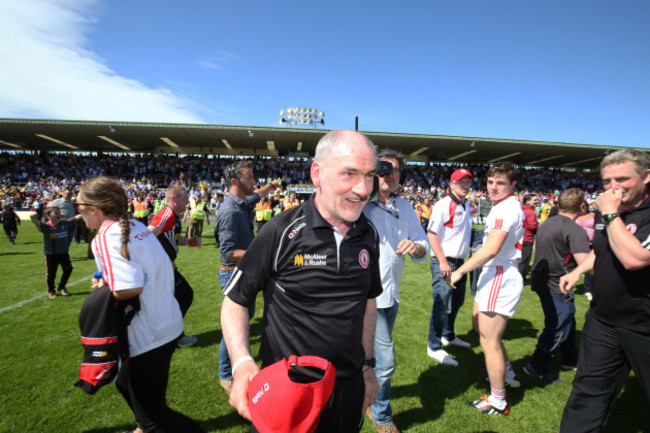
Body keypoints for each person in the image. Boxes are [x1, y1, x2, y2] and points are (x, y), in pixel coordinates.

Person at [220, 129, 381, 432]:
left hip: (348, 392)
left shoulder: (368, 234)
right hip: (288, 394)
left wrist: (367, 366)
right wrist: (241, 363)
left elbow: (368, 301)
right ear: (317, 174)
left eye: (370, 175)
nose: (363, 189)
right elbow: (235, 300)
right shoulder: (281, 231)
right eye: (349, 174)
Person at [76, 177, 204, 433]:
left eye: (78, 206)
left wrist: (103, 290)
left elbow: (128, 287)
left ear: (95, 209)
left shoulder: (106, 236)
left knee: (154, 416)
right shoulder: (134, 225)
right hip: (166, 324)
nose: (77, 213)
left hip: (147, 333)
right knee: (125, 383)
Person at [559, 149, 650, 432]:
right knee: (586, 395)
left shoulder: (615, 213)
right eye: (607, 181)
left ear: (647, 177)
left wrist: (611, 215)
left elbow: (634, 258)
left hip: (643, 323)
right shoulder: (612, 213)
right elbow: (605, 251)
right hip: (604, 320)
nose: (613, 188)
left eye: (622, 179)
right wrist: (577, 271)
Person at [447, 162, 524, 415]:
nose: (493, 187)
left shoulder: (506, 209)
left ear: (513, 185)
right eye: (491, 182)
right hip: (494, 273)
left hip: (499, 274)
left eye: (500, 183)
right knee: (481, 329)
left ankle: (497, 400)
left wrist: (460, 270)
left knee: (489, 341)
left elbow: (491, 249)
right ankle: (508, 372)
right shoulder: (502, 206)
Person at [363, 149, 429, 433]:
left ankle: (365, 398)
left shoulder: (406, 207)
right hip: (366, 299)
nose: (388, 175)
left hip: (392, 297)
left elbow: (423, 244)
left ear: (401, 175)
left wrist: (416, 247)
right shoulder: (360, 204)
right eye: (382, 169)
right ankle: (381, 414)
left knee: (372, 357)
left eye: (394, 170)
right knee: (386, 361)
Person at [215, 161, 280, 394]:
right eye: (250, 177)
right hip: (233, 274)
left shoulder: (241, 202)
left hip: (243, 272)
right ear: (235, 181)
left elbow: (256, 196)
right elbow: (229, 253)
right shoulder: (230, 212)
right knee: (235, 326)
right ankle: (225, 374)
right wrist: (263, 253)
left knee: (247, 316)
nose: (255, 182)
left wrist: (270, 186)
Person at [523, 188, 590, 382]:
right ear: (582, 206)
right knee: (559, 324)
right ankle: (536, 364)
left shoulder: (546, 224)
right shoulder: (575, 229)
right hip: (557, 282)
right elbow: (585, 261)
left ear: (558, 204)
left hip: (541, 278)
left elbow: (537, 247)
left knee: (566, 319)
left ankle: (570, 359)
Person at [426, 168, 474, 367]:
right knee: (441, 303)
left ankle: (448, 335)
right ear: (451, 185)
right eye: (460, 182)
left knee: (456, 303)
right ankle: (434, 346)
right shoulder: (444, 204)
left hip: (460, 263)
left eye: (467, 182)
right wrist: (443, 261)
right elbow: (431, 233)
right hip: (445, 262)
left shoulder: (467, 204)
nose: (465, 186)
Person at [148, 185, 200, 348]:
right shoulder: (166, 214)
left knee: (175, 299)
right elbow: (146, 237)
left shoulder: (174, 216)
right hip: (162, 268)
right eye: (185, 198)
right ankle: (173, 337)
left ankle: (165, 336)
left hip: (166, 267)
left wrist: (188, 242)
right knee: (184, 295)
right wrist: (162, 260)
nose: (187, 201)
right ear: (174, 199)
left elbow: (172, 238)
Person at [30, 206, 81, 299]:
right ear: (48, 216)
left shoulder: (65, 223)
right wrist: (32, 218)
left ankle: (62, 287)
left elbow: (77, 217)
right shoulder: (46, 227)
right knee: (51, 273)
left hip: (64, 253)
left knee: (68, 269)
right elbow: (36, 223)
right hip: (51, 254)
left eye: (59, 212)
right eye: (55, 212)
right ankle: (51, 291)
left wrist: (89, 210)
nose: (58, 214)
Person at [575, 200, 596, 301]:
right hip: (577, 244)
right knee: (575, 266)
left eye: (584, 206)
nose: (582, 208)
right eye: (580, 206)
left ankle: (589, 289)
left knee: (590, 266)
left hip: (592, 243)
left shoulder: (593, 215)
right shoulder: (573, 216)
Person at [519, 194, 539, 282]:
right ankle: (521, 279)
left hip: (519, 237)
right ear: (528, 201)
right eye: (534, 200)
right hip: (527, 238)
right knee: (525, 260)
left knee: (519, 259)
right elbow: (532, 226)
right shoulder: (530, 212)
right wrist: (539, 226)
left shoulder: (520, 209)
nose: (537, 201)